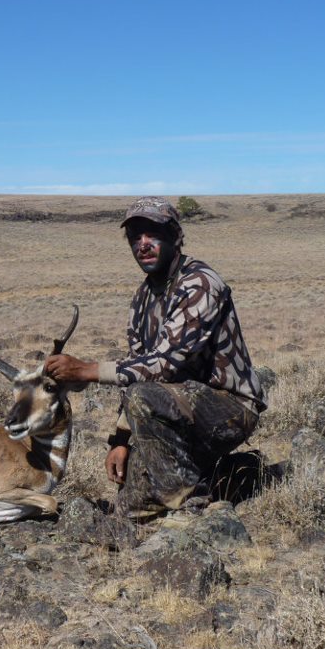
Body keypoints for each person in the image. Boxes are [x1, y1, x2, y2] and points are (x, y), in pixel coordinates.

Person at [44, 196, 266, 514]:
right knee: (129, 505)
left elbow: (162, 365)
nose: (143, 244)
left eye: (153, 234)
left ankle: (189, 506)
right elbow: (137, 370)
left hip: (230, 408)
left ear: (175, 237)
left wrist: (86, 371)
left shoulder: (200, 284)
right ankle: (229, 474)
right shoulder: (143, 297)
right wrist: (120, 441)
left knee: (143, 399)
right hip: (177, 407)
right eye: (135, 237)